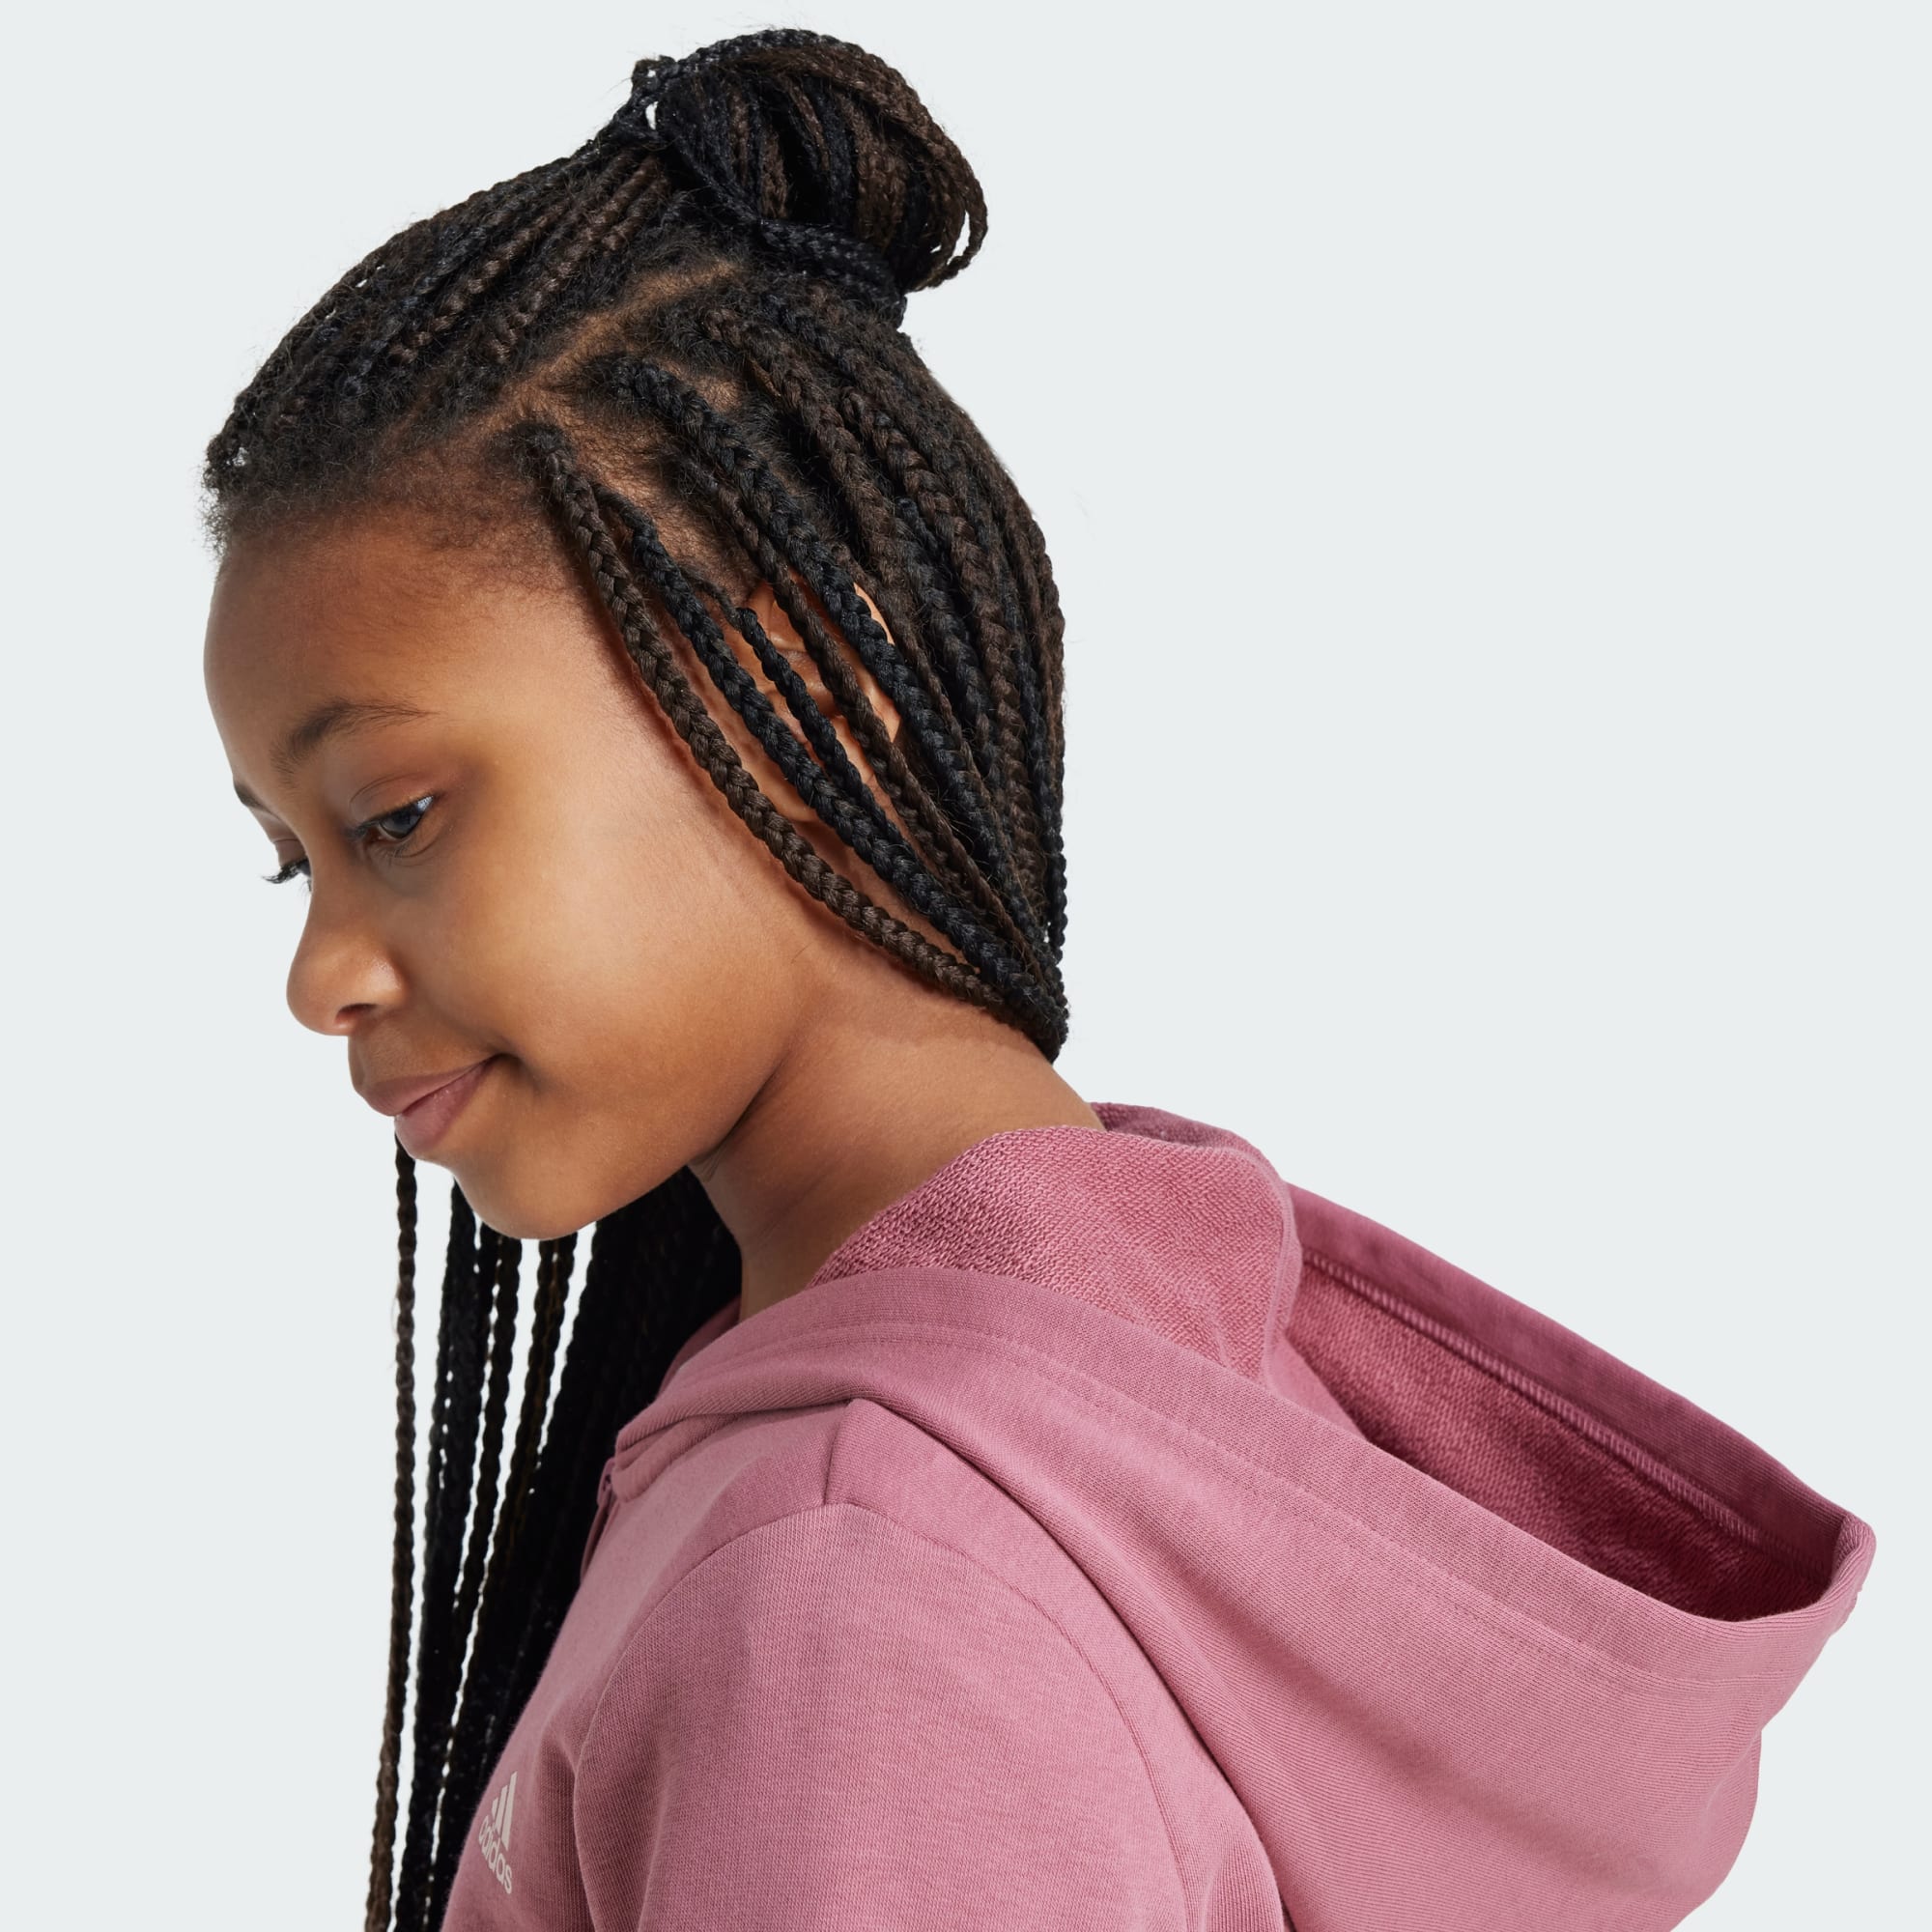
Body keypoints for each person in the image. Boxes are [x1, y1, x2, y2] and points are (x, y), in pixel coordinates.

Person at [199, 28, 1875, 1932]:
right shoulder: (1143, 1375)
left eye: (398, 814)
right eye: (294, 858)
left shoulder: (853, 1583)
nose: (321, 976)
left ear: (807, 689)